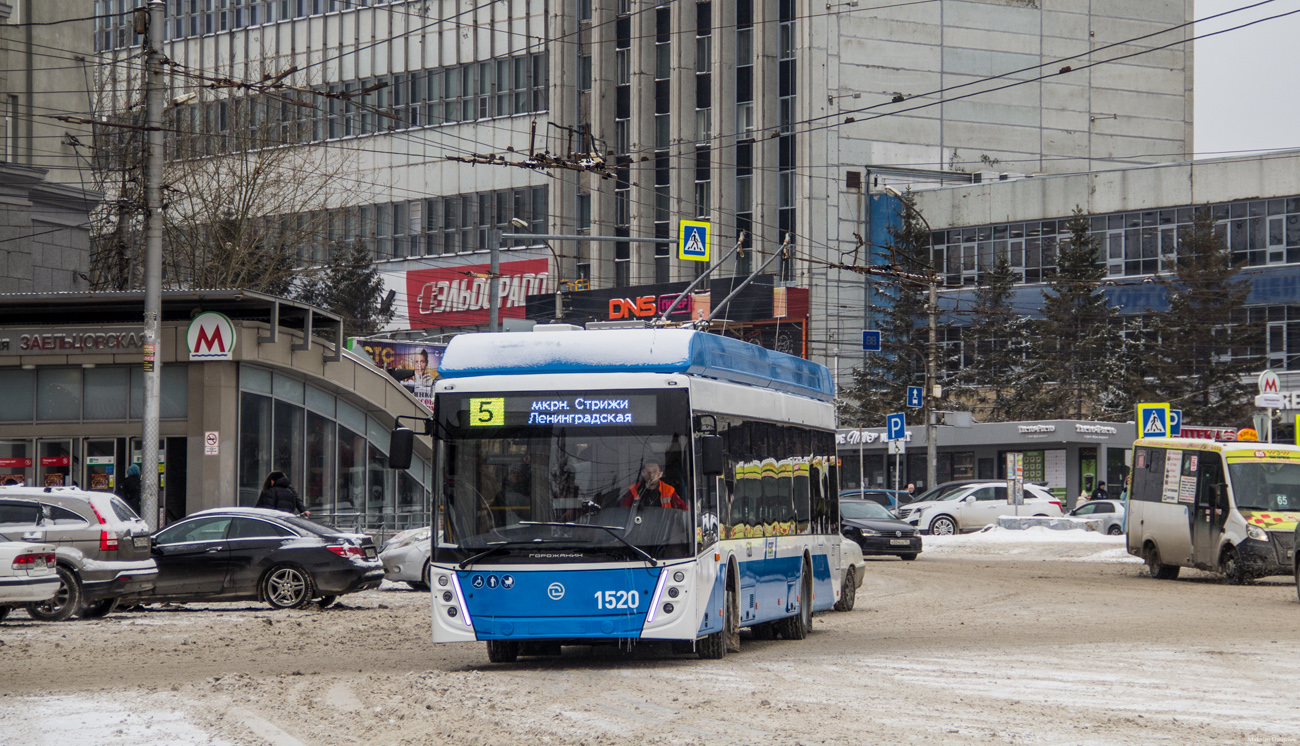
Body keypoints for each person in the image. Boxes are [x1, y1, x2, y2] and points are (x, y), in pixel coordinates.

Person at [620, 461, 688, 510]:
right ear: (643, 473)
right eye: (648, 472)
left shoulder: (668, 491)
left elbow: (684, 510)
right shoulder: (633, 490)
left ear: (660, 474)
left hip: (662, 526)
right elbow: (623, 512)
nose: (651, 475)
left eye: (655, 471)